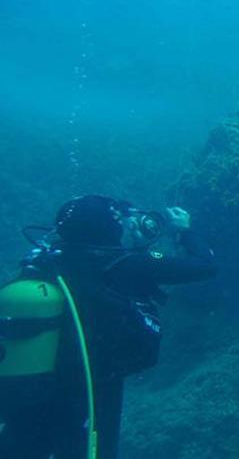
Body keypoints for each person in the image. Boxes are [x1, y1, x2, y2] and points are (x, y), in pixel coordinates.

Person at [0, 194, 217, 459]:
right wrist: (184, 231)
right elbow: (204, 265)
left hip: (31, 392)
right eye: (120, 222)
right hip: (91, 388)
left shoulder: (42, 263)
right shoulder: (126, 264)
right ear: (109, 227)